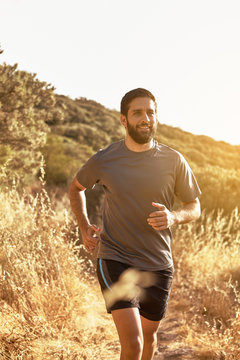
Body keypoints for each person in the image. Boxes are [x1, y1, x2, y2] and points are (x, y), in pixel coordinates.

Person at [69, 88, 201, 360]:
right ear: (123, 120)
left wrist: (174, 216)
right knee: (133, 342)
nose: (145, 118)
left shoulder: (173, 160)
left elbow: (194, 207)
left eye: (151, 112)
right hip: (115, 257)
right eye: (137, 112)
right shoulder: (106, 159)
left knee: (150, 338)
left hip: (158, 262)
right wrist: (84, 226)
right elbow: (76, 187)